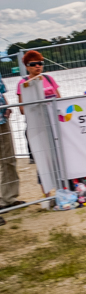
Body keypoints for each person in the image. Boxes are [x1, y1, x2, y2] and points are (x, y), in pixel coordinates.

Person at [17, 50, 61, 208]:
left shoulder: (49, 78)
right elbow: (22, 109)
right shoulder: (23, 83)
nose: (37, 66)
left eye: (40, 63)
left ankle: (63, 190)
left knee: (59, 157)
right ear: (26, 66)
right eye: (33, 64)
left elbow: (59, 100)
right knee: (42, 160)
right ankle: (46, 196)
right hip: (37, 127)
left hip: (54, 125)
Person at [0, 77, 24, 221]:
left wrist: (7, 107)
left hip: (2, 120)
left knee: (9, 159)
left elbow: (1, 93)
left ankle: (8, 198)